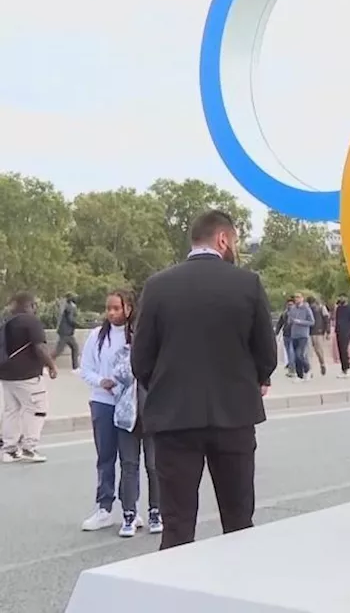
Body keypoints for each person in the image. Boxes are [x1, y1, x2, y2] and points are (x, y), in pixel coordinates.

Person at [131, 210, 277, 550]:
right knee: (239, 518)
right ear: (223, 239)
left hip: (174, 418)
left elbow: (141, 358)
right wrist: (252, 380)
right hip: (234, 416)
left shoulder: (157, 286)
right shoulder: (247, 283)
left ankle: (175, 596)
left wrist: (169, 389)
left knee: (178, 524)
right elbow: (266, 353)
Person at [79, 290, 162, 537]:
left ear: (129, 308)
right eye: (109, 308)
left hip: (135, 404)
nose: (112, 313)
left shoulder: (138, 335)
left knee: (133, 461)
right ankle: (104, 507)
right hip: (104, 402)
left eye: (117, 308)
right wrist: (100, 381)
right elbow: (86, 369)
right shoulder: (97, 337)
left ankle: (133, 509)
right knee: (106, 457)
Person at [1, 292, 58, 463]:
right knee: (37, 408)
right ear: (30, 306)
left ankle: (9, 449)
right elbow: (39, 347)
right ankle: (29, 447)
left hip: (6, 373)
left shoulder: (6, 322)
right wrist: (51, 365)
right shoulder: (31, 321)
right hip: (26, 375)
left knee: (12, 410)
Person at [333, 296, 350, 377]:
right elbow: (336, 319)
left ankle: (348, 367)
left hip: (347, 331)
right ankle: (343, 369)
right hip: (339, 330)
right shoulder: (339, 309)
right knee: (340, 350)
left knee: (344, 349)